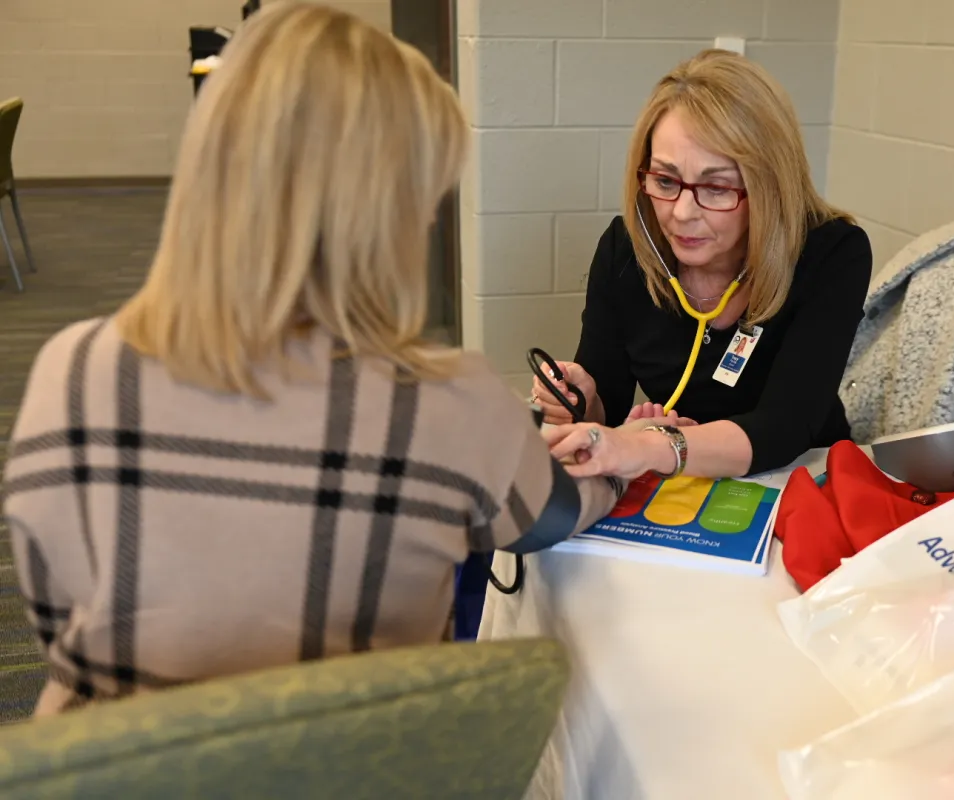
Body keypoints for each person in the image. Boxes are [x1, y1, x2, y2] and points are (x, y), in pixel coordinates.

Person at [1, 3, 619, 715]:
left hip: (110, 768)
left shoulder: (69, 372)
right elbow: (556, 516)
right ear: (380, 211)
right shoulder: (449, 404)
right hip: (363, 766)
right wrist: (616, 452)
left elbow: (56, 621)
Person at [533, 50, 872, 481]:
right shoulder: (626, 248)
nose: (681, 213)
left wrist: (651, 446)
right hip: (686, 479)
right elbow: (609, 406)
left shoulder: (832, 252)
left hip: (802, 475)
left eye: (715, 187)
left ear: (769, 186)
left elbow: (786, 425)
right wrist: (581, 399)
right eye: (665, 181)